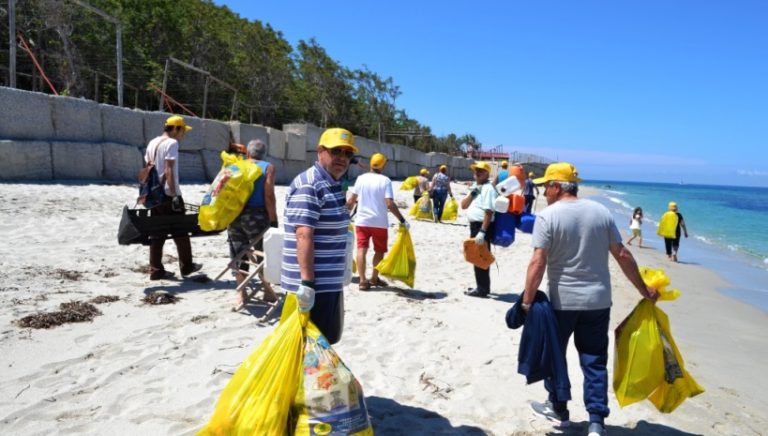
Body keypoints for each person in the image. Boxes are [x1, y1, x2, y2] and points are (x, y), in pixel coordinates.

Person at [520, 162, 658, 436]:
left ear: (557, 187)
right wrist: (644, 290)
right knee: (594, 360)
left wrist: (527, 300)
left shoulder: (548, 216)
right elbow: (622, 254)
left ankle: (559, 410)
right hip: (598, 301)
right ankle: (596, 422)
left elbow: (538, 261)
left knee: (555, 355)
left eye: (547, 186)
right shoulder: (601, 212)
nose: (544, 192)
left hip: (562, 302)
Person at [281, 127, 356, 344]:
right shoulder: (310, 185)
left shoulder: (331, 183)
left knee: (325, 345)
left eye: (347, 154)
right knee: (310, 350)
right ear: (320, 151)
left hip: (329, 283)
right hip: (313, 288)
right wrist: (307, 284)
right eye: (336, 151)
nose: (342, 158)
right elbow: (304, 235)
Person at [145, 115, 202, 280]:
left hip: (154, 193)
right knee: (181, 229)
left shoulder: (152, 142)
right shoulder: (172, 143)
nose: (183, 134)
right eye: (183, 130)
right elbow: (169, 169)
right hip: (168, 193)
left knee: (157, 232)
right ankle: (187, 266)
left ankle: (155, 269)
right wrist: (175, 194)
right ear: (176, 129)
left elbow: (148, 166)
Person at [346, 153, 409, 291]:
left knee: (361, 249)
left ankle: (362, 281)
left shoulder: (361, 179)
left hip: (362, 221)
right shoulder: (385, 180)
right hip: (379, 222)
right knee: (379, 251)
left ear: (371, 164)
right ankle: (374, 278)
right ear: (383, 165)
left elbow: (351, 201)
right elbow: (389, 204)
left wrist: (344, 215)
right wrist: (402, 219)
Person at [227, 139, 278, 307]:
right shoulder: (267, 167)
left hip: (234, 214)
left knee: (238, 253)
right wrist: (273, 219)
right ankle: (267, 292)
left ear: (247, 153)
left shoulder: (236, 166)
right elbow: (268, 196)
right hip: (256, 216)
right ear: (264, 154)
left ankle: (242, 294)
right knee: (262, 253)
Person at [460, 161, 498, 298]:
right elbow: (463, 205)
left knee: (479, 257)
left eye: (480, 171)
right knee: (478, 256)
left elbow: (489, 211)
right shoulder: (477, 187)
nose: (477, 172)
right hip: (475, 225)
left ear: (487, 173)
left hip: (482, 226)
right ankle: (482, 287)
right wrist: (473, 193)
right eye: (476, 170)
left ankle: (482, 289)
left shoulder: (488, 189)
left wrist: (482, 232)